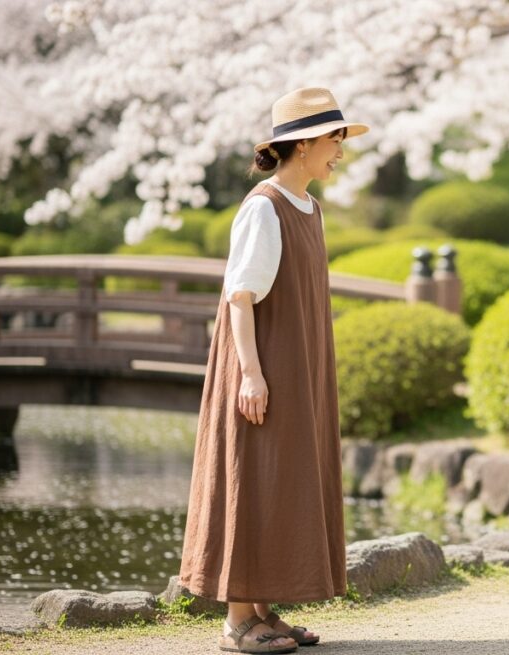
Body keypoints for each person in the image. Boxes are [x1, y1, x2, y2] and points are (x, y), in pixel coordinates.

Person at [179, 87, 368, 654]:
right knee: (254, 475)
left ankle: (265, 610)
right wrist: (252, 375)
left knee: (283, 475)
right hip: (263, 362)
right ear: (303, 144)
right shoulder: (264, 206)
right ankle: (238, 620)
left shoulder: (308, 207)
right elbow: (241, 297)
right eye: (335, 141)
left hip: (297, 361)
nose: (340, 151)